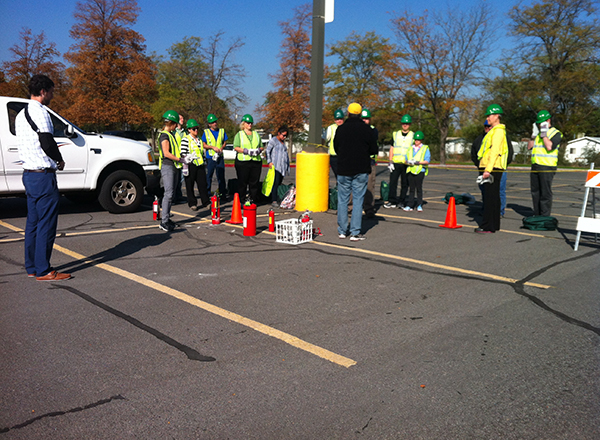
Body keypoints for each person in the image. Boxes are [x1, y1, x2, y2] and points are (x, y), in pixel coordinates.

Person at [16, 74, 71, 281]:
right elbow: (47, 142)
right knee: (47, 224)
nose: (52, 95)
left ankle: (31, 266)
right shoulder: (40, 112)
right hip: (43, 175)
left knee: (33, 223)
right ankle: (44, 270)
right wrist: (59, 160)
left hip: (29, 174)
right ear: (43, 92)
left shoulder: (21, 114)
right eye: (51, 91)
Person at [334, 102, 378, 241]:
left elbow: (336, 147)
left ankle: (342, 230)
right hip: (361, 168)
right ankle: (355, 232)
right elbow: (373, 150)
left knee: (343, 200)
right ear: (360, 114)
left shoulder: (341, 129)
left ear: (348, 113)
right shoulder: (367, 130)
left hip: (344, 168)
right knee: (358, 200)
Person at [475, 104, 509, 233]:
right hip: (491, 166)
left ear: (497, 116)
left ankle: (487, 225)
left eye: (489, 115)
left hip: (493, 167)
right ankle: (494, 224)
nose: (487, 118)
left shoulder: (498, 131)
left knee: (490, 197)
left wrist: (488, 170)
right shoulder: (494, 131)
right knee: (493, 197)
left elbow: (494, 151)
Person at [472, 120, 513, 216]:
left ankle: (499, 212)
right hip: (484, 169)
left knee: (499, 191)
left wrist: (503, 165)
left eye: (489, 126)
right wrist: (480, 165)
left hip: (498, 168)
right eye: (485, 126)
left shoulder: (501, 136)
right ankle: (486, 210)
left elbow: (509, 153)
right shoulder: (480, 139)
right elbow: (474, 154)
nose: (487, 128)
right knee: (485, 191)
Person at [528, 110, 562, 217]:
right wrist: (533, 136)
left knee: (545, 193)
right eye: (539, 123)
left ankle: (544, 216)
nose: (540, 124)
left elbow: (549, 146)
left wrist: (544, 134)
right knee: (535, 192)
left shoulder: (556, 133)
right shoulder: (539, 134)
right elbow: (529, 146)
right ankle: (537, 214)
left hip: (547, 166)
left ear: (548, 120)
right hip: (536, 165)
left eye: (542, 122)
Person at [158, 110, 185, 232]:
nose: (176, 126)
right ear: (172, 123)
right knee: (168, 194)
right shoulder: (165, 135)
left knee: (171, 193)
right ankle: (164, 222)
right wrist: (180, 159)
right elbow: (166, 153)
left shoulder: (171, 135)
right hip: (168, 166)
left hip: (173, 166)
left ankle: (167, 218)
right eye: (175, 123)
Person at [233, 114, 264, 203]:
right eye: (248, 123)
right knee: (242, 182)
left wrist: (258, 150)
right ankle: (242, 200)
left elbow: (261, 146)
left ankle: (253, 200)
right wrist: (246, 151)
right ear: (243, 123)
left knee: (254, 182)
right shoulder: (239, 134)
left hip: (255, 161)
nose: (250, 124)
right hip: (243, 161)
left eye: (251, 123)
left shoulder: (256, 134)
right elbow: (236, 147)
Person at [180, 119, 210, 211]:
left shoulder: (200, 140)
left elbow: (202, 153)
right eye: (194, 129)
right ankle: (192, 203)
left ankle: (206, 202)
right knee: (190, 185)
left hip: (200, 165)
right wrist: (187, 158)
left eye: (197, 128)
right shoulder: (185, 139)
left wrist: (205, 163)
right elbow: (182, 153)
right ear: (189, 130)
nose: (196, 130)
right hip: (190, 165)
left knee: (203, 184)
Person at [385, 114, 413, 209]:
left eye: (407, 123)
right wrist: (390, 161)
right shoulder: (395, 134)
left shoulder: (412, 135)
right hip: (396, 162)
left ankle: (402, 201)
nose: (405, 125)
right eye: (403, 123)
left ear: (410, 124)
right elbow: (392, 148)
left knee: (405, 184)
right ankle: (392, 201)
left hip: (406, 163)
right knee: (393, 182)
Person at [403, 131, 430, 212]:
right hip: (411, 170)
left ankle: (419, 204)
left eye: (418, 140)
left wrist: (417, 162)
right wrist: (408, 162)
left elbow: (427, 160)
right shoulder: (410, 148)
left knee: (419, 188)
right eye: (415, 140)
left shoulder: (425, 148)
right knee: (411, 188)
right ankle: (410, 205)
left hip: (420, 170)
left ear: (421, 140)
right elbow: (405, 159)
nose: (416, 141)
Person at [202, 113, 227, 200]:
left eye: (215, 121)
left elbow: (224, 141)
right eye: (212, 122)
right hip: (210, 157)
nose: (215, 123)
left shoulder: (222, 131)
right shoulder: (206, 132)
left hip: (219, 157)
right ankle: (207, 192)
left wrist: (221, 148)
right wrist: (212, 147)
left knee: (221, 176)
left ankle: (222, 193)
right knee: (209, 175)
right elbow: (204, 145)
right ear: (209, 124)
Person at [266, 126, 290, 207]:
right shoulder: (273, 141)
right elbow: (268, 151)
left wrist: (287, 166)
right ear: (279, 133)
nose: (284, 137)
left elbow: (285, 155)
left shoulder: (283, 144)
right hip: (275, 166)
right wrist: (269, 162)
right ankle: (274, 200)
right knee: (275, 183)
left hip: (282, 167)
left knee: (279, 183)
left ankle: (277, 197)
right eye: (283, 135)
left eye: (286, 136)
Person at [361, 109, 379, 218]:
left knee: (369, 185)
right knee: (355, 185)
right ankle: (351, 207)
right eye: (363, 119)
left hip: (370, 160)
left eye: (366, 119)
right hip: (359, 160)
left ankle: (369, 208)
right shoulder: (357, 130)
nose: (365, 121)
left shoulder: (373, 130)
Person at [325, 109, 344, 180]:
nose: (339, 121)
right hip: (334, 156)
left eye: (341, 119)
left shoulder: (346, 127)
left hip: (344, 156)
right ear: (334, 120)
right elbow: (324, 139)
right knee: (339, 176)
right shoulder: (331, 128)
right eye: (337, 119)